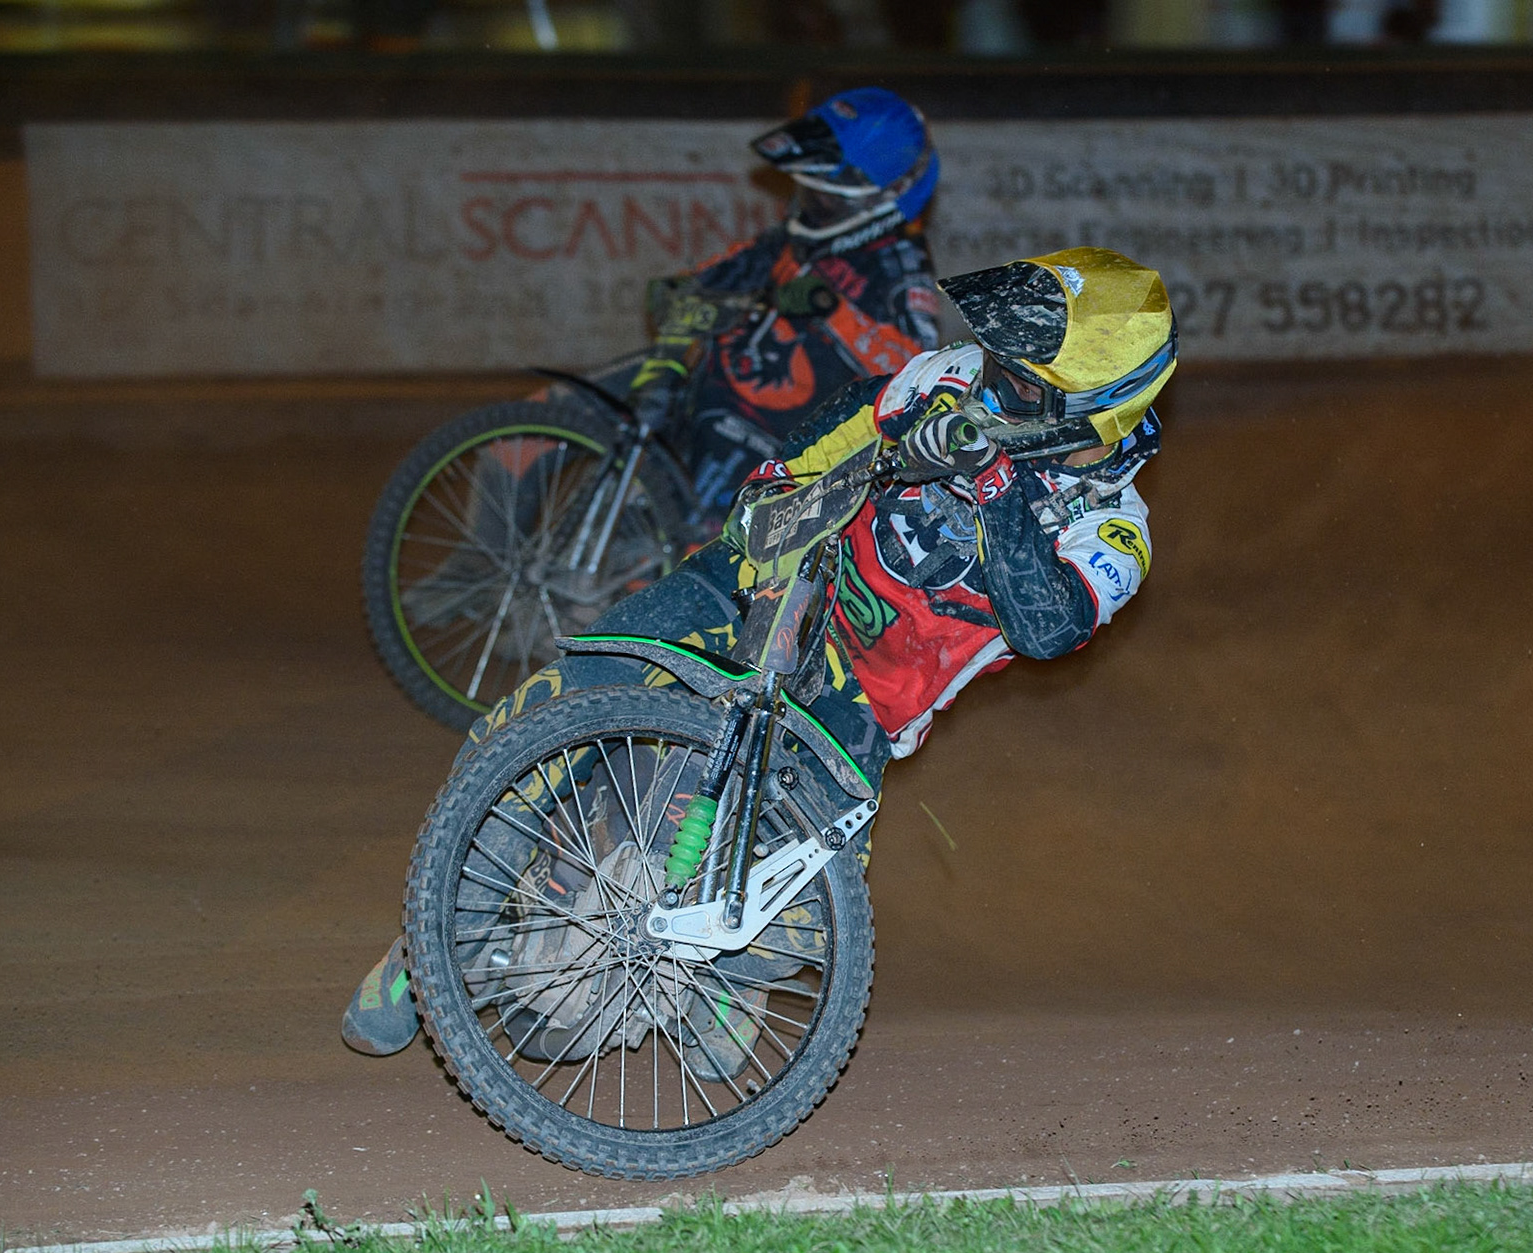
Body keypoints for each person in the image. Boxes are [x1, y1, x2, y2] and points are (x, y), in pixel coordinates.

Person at [343, 245, 1175, 1057]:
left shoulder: (1112, 530)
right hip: (763, 583)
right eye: (994, 358)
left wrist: (990, 479)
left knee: (795, 939)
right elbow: (784, 479)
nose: (989, 380)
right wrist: (872, 462)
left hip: (858, 703)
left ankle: (721, 985)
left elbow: (1047, 627)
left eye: (1018, 381)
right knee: (561, 697)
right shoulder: (946, 381)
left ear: (1089, 411)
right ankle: (436, 925)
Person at [614, 86, 943, 518]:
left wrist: (832, 311)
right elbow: (704, 278)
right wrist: (683, 297)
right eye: (806, 190)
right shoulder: (791, 240)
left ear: (877, 195)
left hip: (796, 447)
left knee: (706, 515)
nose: (812, 204)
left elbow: (917, 369)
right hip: (716, 403)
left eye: (826, 195)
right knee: (593, 401)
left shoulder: (900, 265)